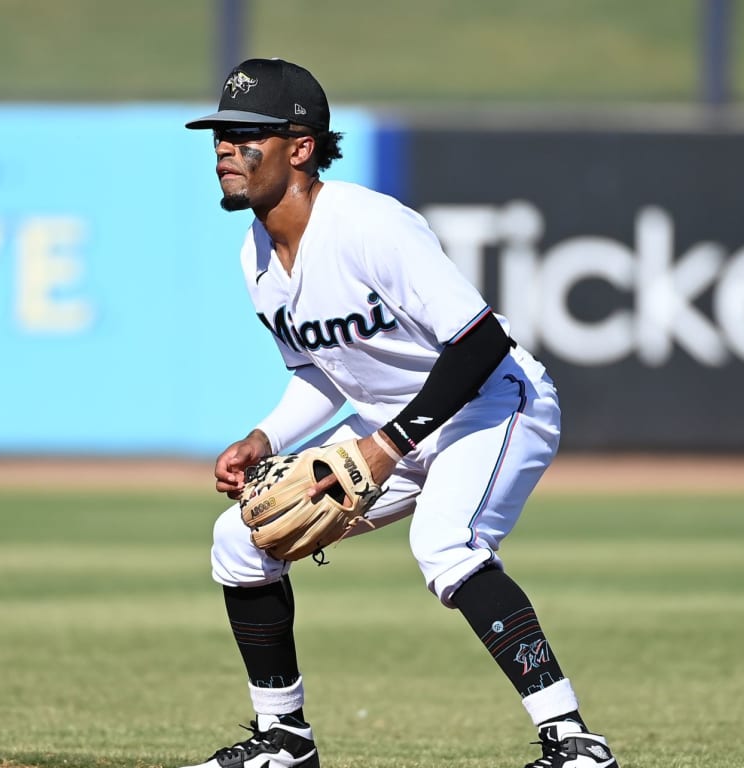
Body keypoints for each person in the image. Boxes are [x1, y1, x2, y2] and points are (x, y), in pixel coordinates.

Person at [180, 57, 620, 768]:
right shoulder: (255, 256)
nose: (226, 149)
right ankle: (284, 740)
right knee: (239, 543)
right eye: (220, 136)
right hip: (396, 423)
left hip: (496, 404)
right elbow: (321, 378)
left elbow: (480, 344)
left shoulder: (367, 226)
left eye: (246, 134)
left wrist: (386, 446)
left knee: (445, 545)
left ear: (301, 147)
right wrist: (264, 438)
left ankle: (573, 741)